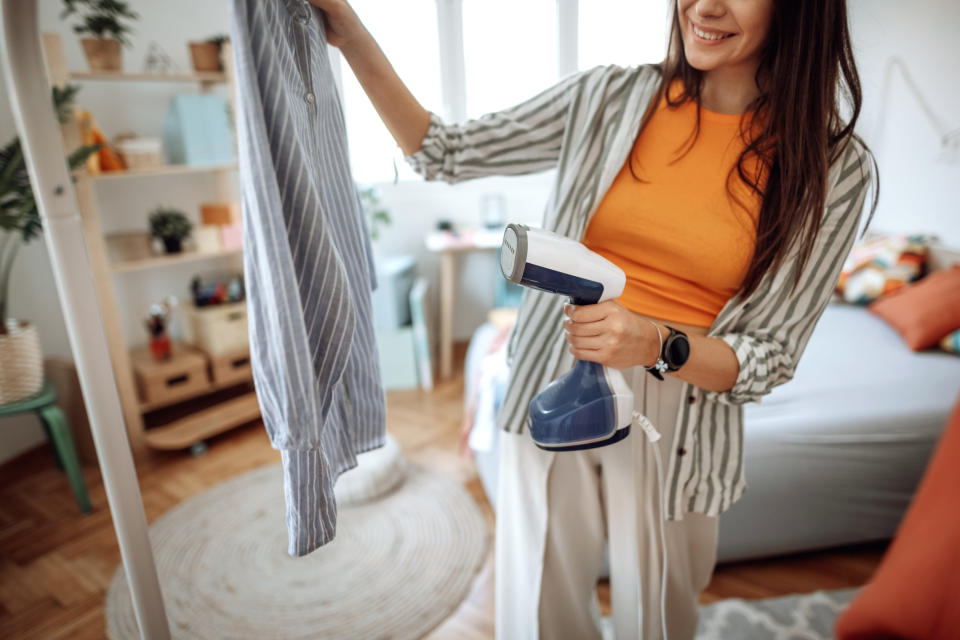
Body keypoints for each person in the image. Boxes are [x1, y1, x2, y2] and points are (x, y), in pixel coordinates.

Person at [307, 0, 878, 638]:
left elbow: (768, 356)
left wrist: (654, 341)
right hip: (556, 375)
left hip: (682, 412)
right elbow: (442, 150)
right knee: (539, 603)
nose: (705, 6)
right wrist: (351, 36)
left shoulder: (834, 168)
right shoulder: (610, 96)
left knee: (657, 616)